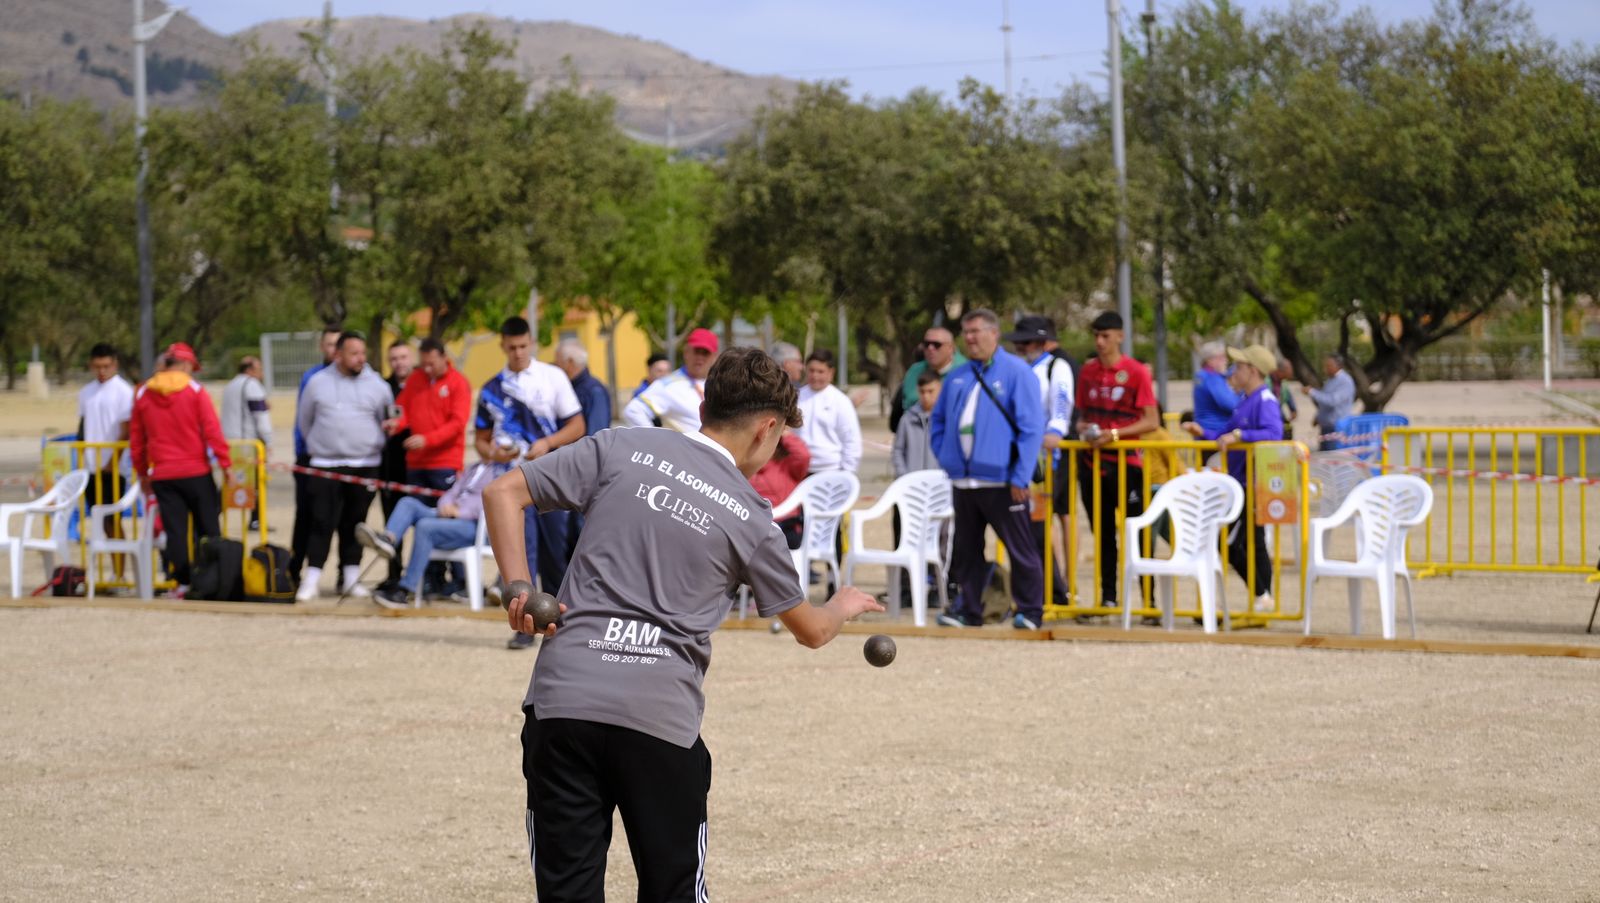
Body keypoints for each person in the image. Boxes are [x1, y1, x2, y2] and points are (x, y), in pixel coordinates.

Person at [482, 346, 882, 902]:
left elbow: (503, 491)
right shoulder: (750, 515)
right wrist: (843, 603)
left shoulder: (621, 444)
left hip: (563, 704)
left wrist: (520, 588)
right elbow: (811, 630)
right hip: (657, 720)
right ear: (767, 429)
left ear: (705, 405)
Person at [930, 309, 1046, 630]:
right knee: (967, 550)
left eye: (976, 331)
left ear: (994, 333)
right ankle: (969, 610)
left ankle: (1030, 611)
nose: (970, 338)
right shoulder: (957, 376)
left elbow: (1031, 427)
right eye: (965, 333)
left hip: (1003, 479)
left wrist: (1020, 475)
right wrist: (946, 456)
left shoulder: (1017, 372)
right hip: (964, 481)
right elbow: (938, 421)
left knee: (1020, 549)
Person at [474, 316, 587, 650]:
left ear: (532, 343)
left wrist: (548, 443)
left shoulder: (552, 377)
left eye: (523, 346)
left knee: (556, 555)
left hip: (551, 479)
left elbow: (577, 426)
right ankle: (524, 628)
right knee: (521, 558)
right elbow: (481, 441)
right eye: (512, 347)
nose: (519, 352)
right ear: (503, 347)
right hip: (511, 484)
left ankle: (561, 625)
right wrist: (494, 453)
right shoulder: (491, 388)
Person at [1184, 344, 1283, 612]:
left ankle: (1263, 594)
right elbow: (1225, 433)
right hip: (1239, 482)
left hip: (1254, 482)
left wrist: (1241, 436)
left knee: (1238, 540)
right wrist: (1202, 432)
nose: (1233, 373)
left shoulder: (1265, 400)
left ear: (1252, 371)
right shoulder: (1244, 402)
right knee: (1251, 540)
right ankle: (1263, 595)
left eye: (1238, 367)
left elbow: (1274, 434)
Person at [295, 331, 393, 601]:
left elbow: (387, 419)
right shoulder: (317, 382)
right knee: (321, 521)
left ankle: (350, 578)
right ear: (338, 354)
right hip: (325, 465)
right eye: (354, 353)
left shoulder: (378, 385)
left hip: (365, 465)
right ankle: (312, 578)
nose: (360, 358)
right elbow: (305, 422)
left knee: (355, 523)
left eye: (363, 353)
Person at [128, 343, 231, 598]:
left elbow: (137, 440)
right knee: (208, 528)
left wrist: (142, 473)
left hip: (163, 474)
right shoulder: (194, 390)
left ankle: (182, 582)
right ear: (186, 365)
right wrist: (225, 464)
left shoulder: (143, 393)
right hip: (196, 471)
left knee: (175, 531)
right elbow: (212, 430)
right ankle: (212, 578)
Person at [1075, 311, 1160, 611]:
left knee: (1138, 530)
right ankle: (1108, 597)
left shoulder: (1136, 372)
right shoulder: (1087, 372)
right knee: (1103, 533)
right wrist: (1084, 429)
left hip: (1127, 465)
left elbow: (1152, 420)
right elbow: (1082, 416)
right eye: (1096, 336)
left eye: (1106, 336)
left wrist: (1114, 435)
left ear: (1120, 336)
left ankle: (1149, 600)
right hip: (1092, 464)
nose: (1100, 342)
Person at [388, 338, 473, 596]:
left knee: (448, 517)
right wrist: (397, 425)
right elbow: (403, 410)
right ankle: (429, 578)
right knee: (421, 520)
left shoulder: (458, 383)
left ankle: (459, 580)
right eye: (422, 364)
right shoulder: (415, 380)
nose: (426, 369)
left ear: (443, 357)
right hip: (416, 464)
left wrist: (428, 439)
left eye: (431, 364)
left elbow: (457, 424)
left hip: (444, 464)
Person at [359, 458, 503, 609]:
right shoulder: (474, 467)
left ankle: (404, 591)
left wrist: (462, 512)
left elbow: (494, 503)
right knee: (408, 503)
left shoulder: (504, 471)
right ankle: (388, 540)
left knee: (425, 527)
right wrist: (444, 505)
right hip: (449, 517)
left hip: (473, 525)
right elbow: (451, 492)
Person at [1005, 315, 1076, 609]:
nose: (1022, 347)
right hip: (1019, 457)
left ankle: (1054, 592)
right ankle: (1039, 590)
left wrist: (1056, 430)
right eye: (1020, 342)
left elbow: (1061, 401)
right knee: (1024, 528)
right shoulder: (1016, 368)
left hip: (1045, 461)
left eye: (1028, 342)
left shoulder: (1055, 368)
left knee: (1038, 526)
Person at [290, 326, 343, 579]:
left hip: (341, 460)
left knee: (341, 518)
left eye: (338, 344)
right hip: (312, 458)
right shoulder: (312, 377)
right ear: (323, 347)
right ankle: (294, 570)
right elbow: (303, 419)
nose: (334, 349)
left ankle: (345, 572)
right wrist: (303, 452)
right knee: (306, 516)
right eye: (330, 344)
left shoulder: (353, 377)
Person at [78, 343, 135, 552]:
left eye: (106, 366)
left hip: (113, 468)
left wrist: (113, 461)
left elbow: (126, 430)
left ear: (115, 364)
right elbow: (83, 426)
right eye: (97, 367)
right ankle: (111, 571)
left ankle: (119, 571)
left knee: (113, 520)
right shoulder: (86, 392)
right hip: (92, 467)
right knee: (100, 520)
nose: (102, 371)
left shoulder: (123, 391)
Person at [623, 328, 718, 432]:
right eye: (696, 351)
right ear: (686, 352)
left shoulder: (719, 384)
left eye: (705, 352)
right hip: (685, 447)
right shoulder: (669, 384)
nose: (700, 357)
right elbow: (633, 411)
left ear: (714, 356)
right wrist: (656, 442)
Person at [377, 342, 416, 587]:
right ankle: (393, 574)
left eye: (403, 357)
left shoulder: (422, 385)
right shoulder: (383, 388)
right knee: (392, 523)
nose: (399, 362)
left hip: (420, 467)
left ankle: (430, 576)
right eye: (393, 358)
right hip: (391, 467)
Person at [221, 355, 273, 530]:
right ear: (249, 370)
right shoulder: (252, 385)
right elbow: (261, 417)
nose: (261, 373)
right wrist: (268, 441)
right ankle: (256, 520)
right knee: (257, 482)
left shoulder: (230, 386)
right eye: (259, 369)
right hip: (248, 443)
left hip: (230, 442)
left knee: (231, 482)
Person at [795, 349, 862, 475]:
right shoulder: (796, 397)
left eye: (820, 371)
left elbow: (851, 439)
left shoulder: (841, 401)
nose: (815, 376)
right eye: (811, 370)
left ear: (831, 373)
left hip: (831, 471)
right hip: (800, 470)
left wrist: (847, 472)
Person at [893, 325, 966, 433]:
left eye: (937, 345)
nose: (930, 348)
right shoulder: (914, 371)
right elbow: (906, 407)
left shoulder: (966, 372)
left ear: (951, 348)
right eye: (926, 344)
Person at [750, 431, 811, 549]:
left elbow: (803, 455)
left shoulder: (787, 465)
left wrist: (783, 432)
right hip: (755, 527)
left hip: (786, 527)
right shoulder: (747, 466)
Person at [555, 341, 613, 438]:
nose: (555, 365)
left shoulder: (594, 391)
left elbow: (596, 436)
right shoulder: (569, 387)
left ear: (570, 362)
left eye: (558, 361)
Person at [891, 369, 941, 479]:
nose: (926, 396)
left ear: (940, 389)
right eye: (922, 392)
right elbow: (898, 450)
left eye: (930, 391)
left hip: (938, 482)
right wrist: (903, 476)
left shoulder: (946, 420)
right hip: (911, 483)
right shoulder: (907, 419)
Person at [1306, 353, 1355, 451]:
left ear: (1337, 366)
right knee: (1324, 459)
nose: (1325, 369)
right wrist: (1318, 416)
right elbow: (1325, 401)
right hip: (1326, 426)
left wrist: (1312, 392)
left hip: (1336, 427)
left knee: (1332, 458)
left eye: (1328, 366)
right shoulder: (1330, 380)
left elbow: (1332, 401)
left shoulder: (1345, 381)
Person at [1192, 341, 1240, 436]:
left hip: (1204, 432)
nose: (1226, 361)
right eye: (1222, 357)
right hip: (1215, 434)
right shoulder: (1212, 378)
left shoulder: (1201, 375)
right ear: (1210, 360)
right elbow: (1231, 405)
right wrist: (1242, 393)